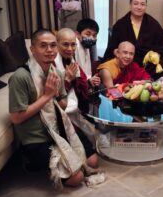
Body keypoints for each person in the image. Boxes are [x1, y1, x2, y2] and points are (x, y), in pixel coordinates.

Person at [9, 29, 100, 187]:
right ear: (33, 49)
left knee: (92, 162)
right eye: (43, 46)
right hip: (37, 136)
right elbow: (16, 118)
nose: (49, 50)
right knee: (76, 178)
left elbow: (63, 105)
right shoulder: (21, 77)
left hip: (60, 128)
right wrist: (47, 96)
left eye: (52, 46)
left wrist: (60, 88)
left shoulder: (55, 72)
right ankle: (31, 159)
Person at [102, 0, 163, 80]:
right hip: (127, 61)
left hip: (147, 64)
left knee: (157, 64)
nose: (139, 7)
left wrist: (156, 54)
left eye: (142, 4)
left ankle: (148, 85)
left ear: (146, 6)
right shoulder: (120, 24)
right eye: (136, 4)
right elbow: (112, 48)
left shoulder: (153, 24)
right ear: (130, 5)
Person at [75, 18, 101, 87]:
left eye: (94, 35)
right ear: (77, 34)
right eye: (87, 34)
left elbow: (87, 75)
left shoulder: (86, 47)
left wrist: (92, 80)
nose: (91, 38)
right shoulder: (74, 47)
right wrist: (88, 81)